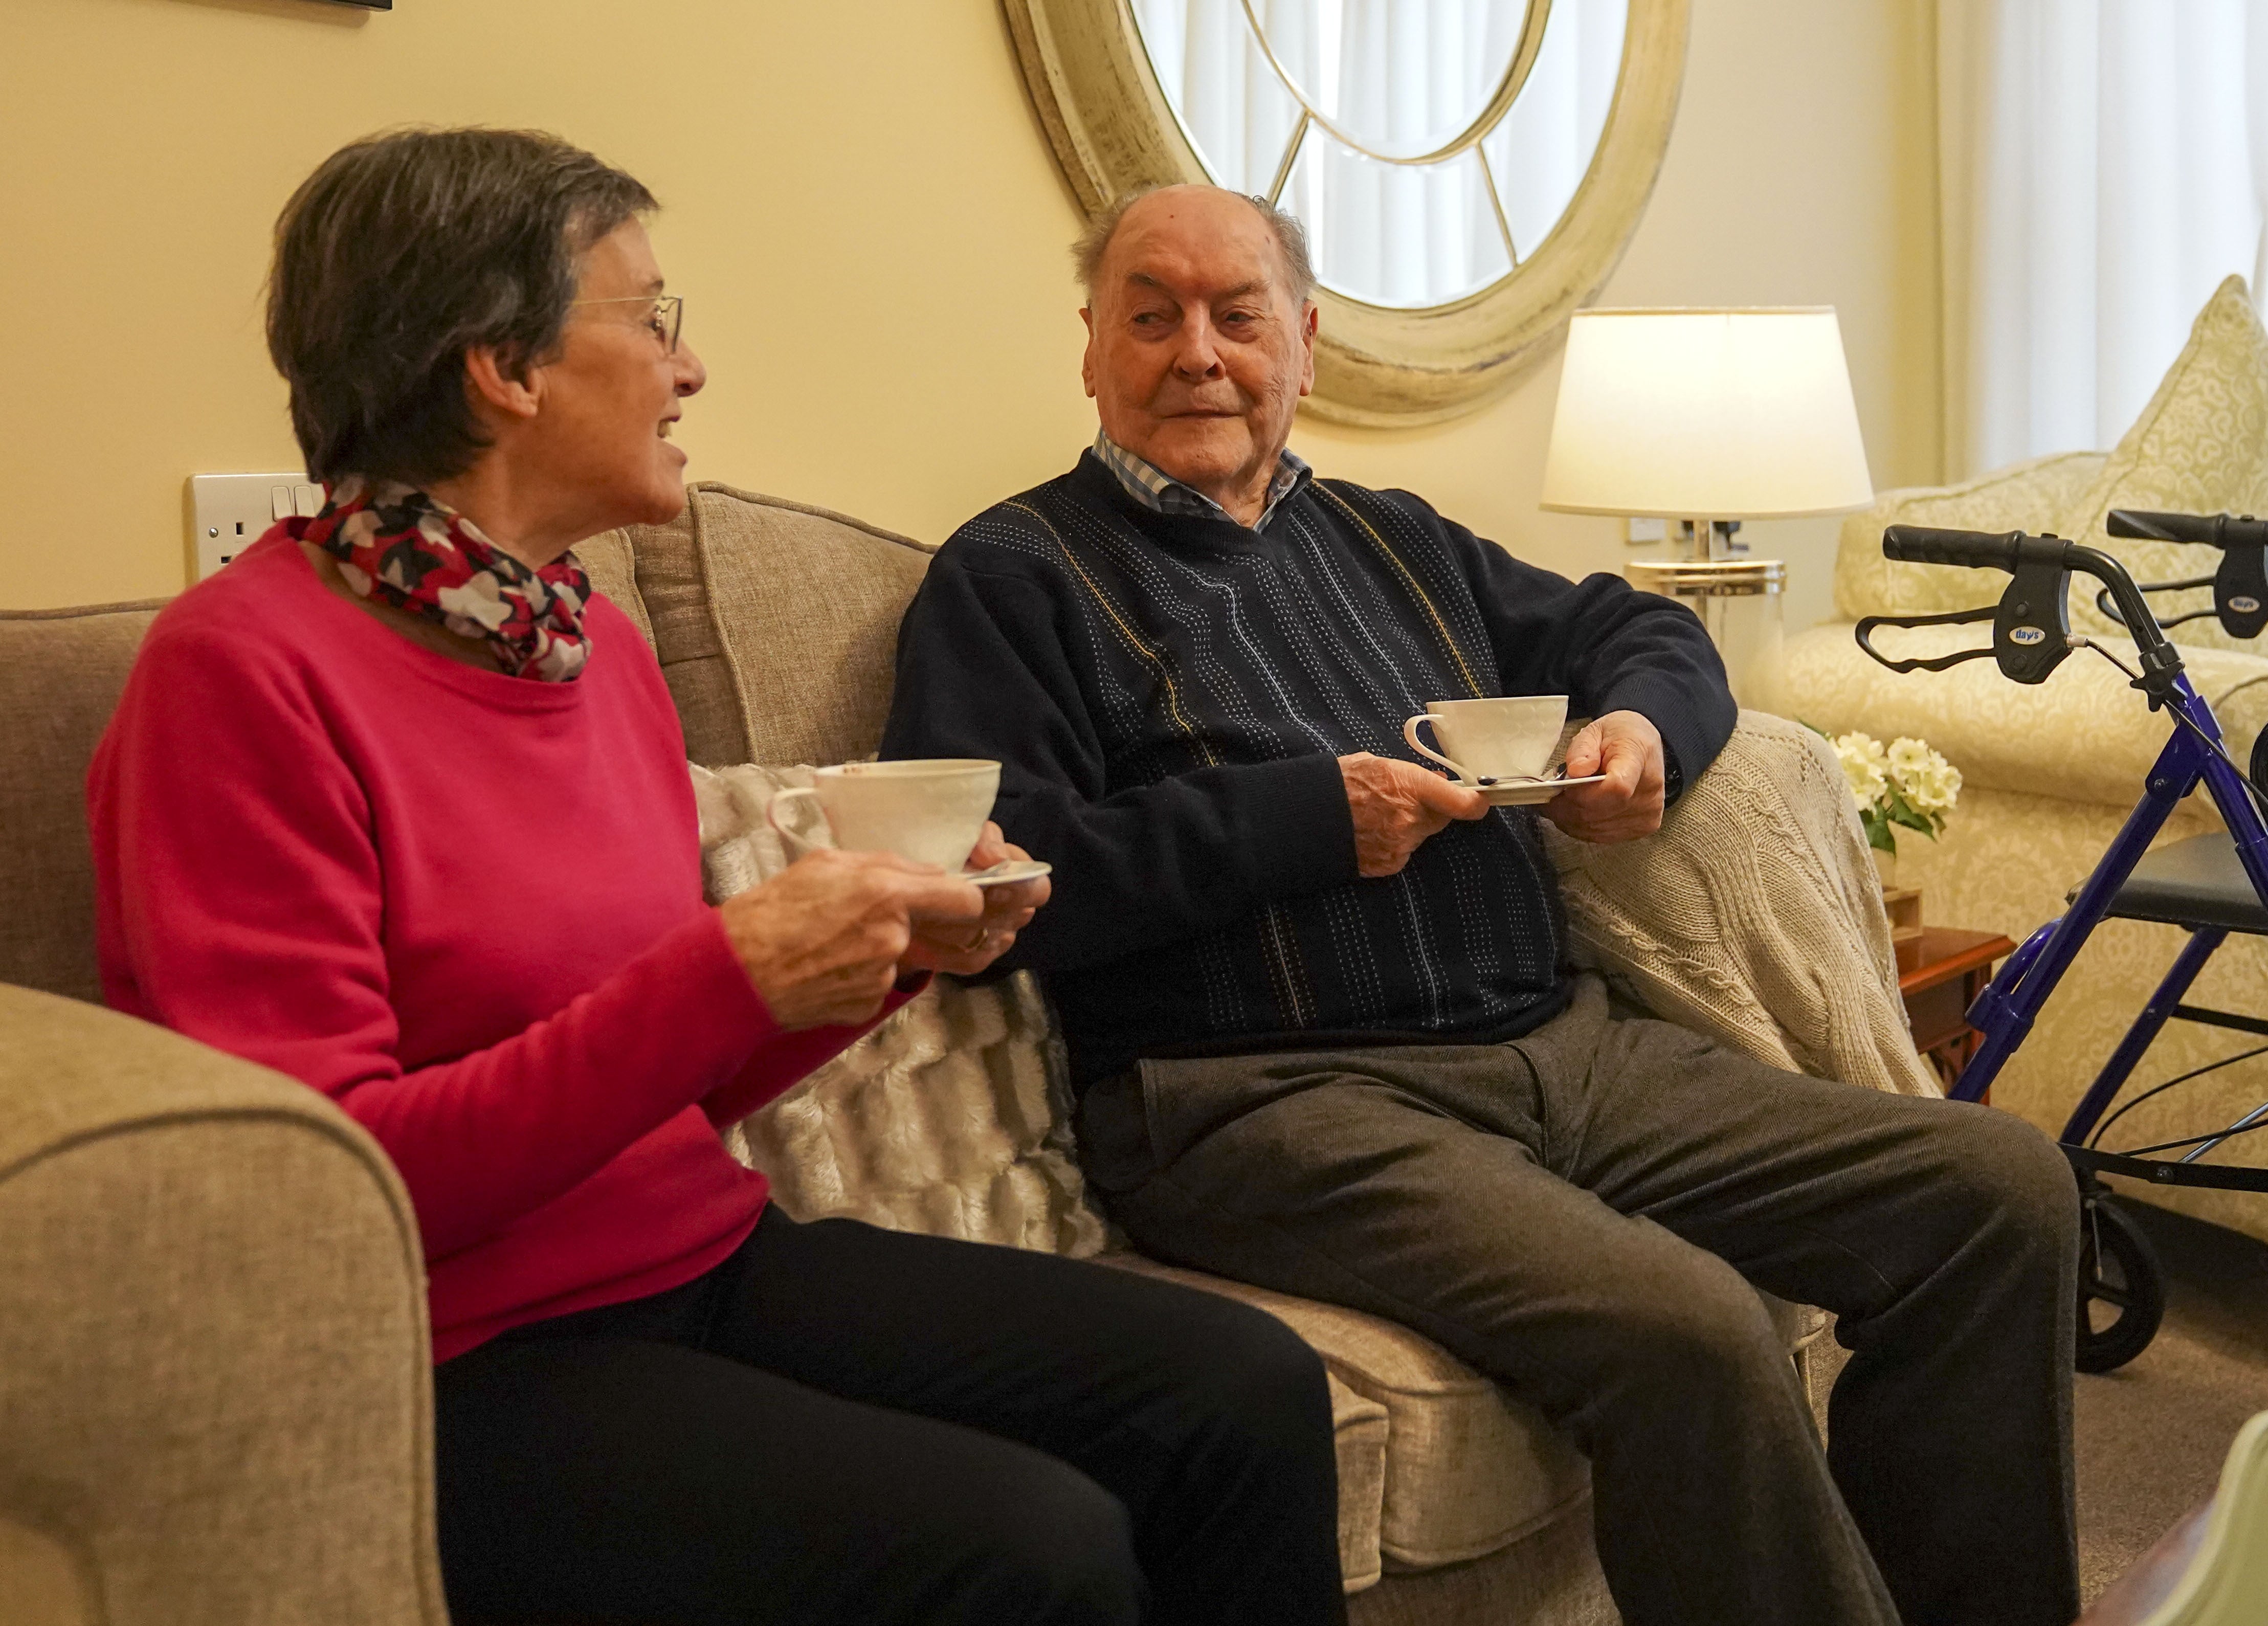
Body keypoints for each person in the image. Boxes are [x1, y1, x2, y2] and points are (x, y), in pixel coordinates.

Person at [88, 134, 1345, 1626]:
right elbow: (326, 1190)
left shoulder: (589, 647)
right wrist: (730, 965)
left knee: (1245, 1386)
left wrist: (894, 949)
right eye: (651, 319)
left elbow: (666, 1081)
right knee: (1030, 1549)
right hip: (447, 1354)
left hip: (702, 1255)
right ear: (504, 365)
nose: (690, 373)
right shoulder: (240, 675)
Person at [881, 182, 2082, 1626]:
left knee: (1998, 1189)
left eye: (1237, 314)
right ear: (1092, 347)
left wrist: (1644, 736)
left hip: (1567, 1052)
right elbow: (1006, 873)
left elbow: (1633, 629)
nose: (1196, 351)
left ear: (1303, 347)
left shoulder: (1393, 540)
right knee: (1688, 1324)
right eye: (1152, 315)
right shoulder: (1013, 575)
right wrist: (1309, 818)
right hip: (1265, 1101)